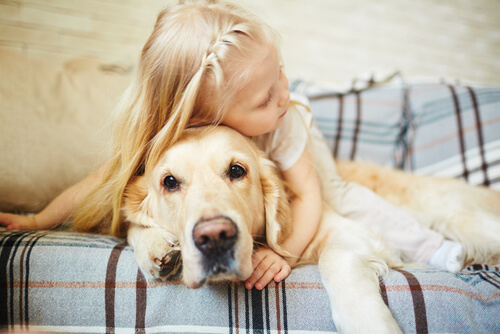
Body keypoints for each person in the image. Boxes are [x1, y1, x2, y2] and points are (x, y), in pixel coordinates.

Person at [0, 0, 463, 290]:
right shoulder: (172, 140)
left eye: (280, 71)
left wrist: (282, 254)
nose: (282, 92)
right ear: (213, 116)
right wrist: (38, 220)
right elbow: (101, 185)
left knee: (342, 196)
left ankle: (434, 249)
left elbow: (308, 195)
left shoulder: (285, 116)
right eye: (264, 96)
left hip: (303, 153)